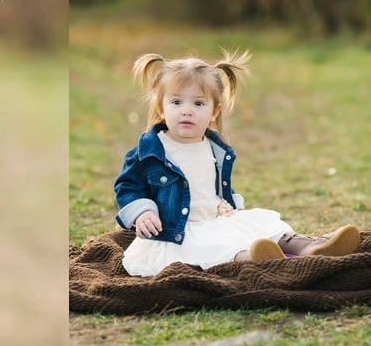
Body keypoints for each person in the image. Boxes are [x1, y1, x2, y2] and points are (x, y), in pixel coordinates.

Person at [114, 50, 359, 278]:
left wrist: (228, 204)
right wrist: (143, 211)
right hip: (179, 233)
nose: (186, 111)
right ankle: (258, 259)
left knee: (264, 224)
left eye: (198, 104)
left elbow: (212, 188)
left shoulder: (214, 147)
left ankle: (310, 247)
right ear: (161, 108)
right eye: (177, 102)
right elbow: (127, 186)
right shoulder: (148, 151)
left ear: (214, 112)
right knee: (219, 249)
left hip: (217, 220)